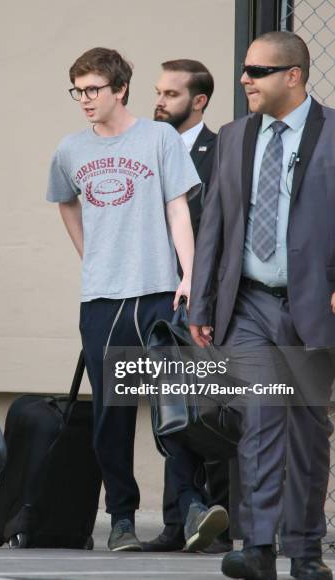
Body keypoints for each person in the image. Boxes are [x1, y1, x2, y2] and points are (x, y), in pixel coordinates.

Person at [46, 47, 228, 552]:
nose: (84, 100)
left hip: (159, 293)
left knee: (177, 404)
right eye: (77, 90)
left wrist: (188, 274)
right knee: (112, 411)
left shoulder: (159, 138)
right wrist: (90, 253)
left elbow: (177, 209)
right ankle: (121, 520)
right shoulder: (69, 150)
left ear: (120, 89)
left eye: (93, 90)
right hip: (102, 298)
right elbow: (64, 200)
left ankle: (191, 505)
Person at [189, 30, 335, 580]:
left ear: (294, 76)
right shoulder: (235, 136)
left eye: (256, 71)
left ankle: (305, 554)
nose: (244, 80)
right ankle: (258, 549)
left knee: (307, 430)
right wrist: (203, 304)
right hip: (250, 305)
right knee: (260, 420)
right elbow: (214, 222)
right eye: (244, 69)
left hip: (317, 307)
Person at [144, 59, 232, 554]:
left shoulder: (219, 152)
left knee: (204, 411)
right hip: (149, 295)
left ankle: (210, 519)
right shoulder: (145, 147)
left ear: (198, 101)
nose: (159, 101)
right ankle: (182, 521)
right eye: (157, 91)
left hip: (200, 302)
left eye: (171, 94)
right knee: (170, 410)